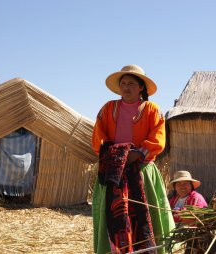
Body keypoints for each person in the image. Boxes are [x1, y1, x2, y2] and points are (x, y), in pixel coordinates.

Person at [91, 64, 175, 254]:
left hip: (142, 170)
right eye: (123, 83)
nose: (126, 87)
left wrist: (137, 154)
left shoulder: (152, 109)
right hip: (114, 171)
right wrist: (116, 155)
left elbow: (158, 138)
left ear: (141, 88)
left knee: (146, 215)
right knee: (113, 216)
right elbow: (98, 137)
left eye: (131, 83)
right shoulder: (108, 108)